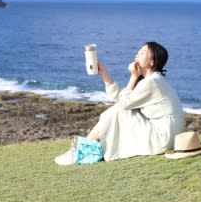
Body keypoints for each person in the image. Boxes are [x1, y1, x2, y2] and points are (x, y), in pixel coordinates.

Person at [55, 41, 185, 164]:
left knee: (118, 110)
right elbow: (123, 98)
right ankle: (83, 147)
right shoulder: (152, 80)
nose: (137, 54)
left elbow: (124, 103)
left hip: (162, 138)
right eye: (138, 52)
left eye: (142, 53)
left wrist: (133, 76)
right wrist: (104, 73)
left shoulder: (152, 82)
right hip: (170, 138)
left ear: (152, 61)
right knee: (118, 110)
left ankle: (80, 149)